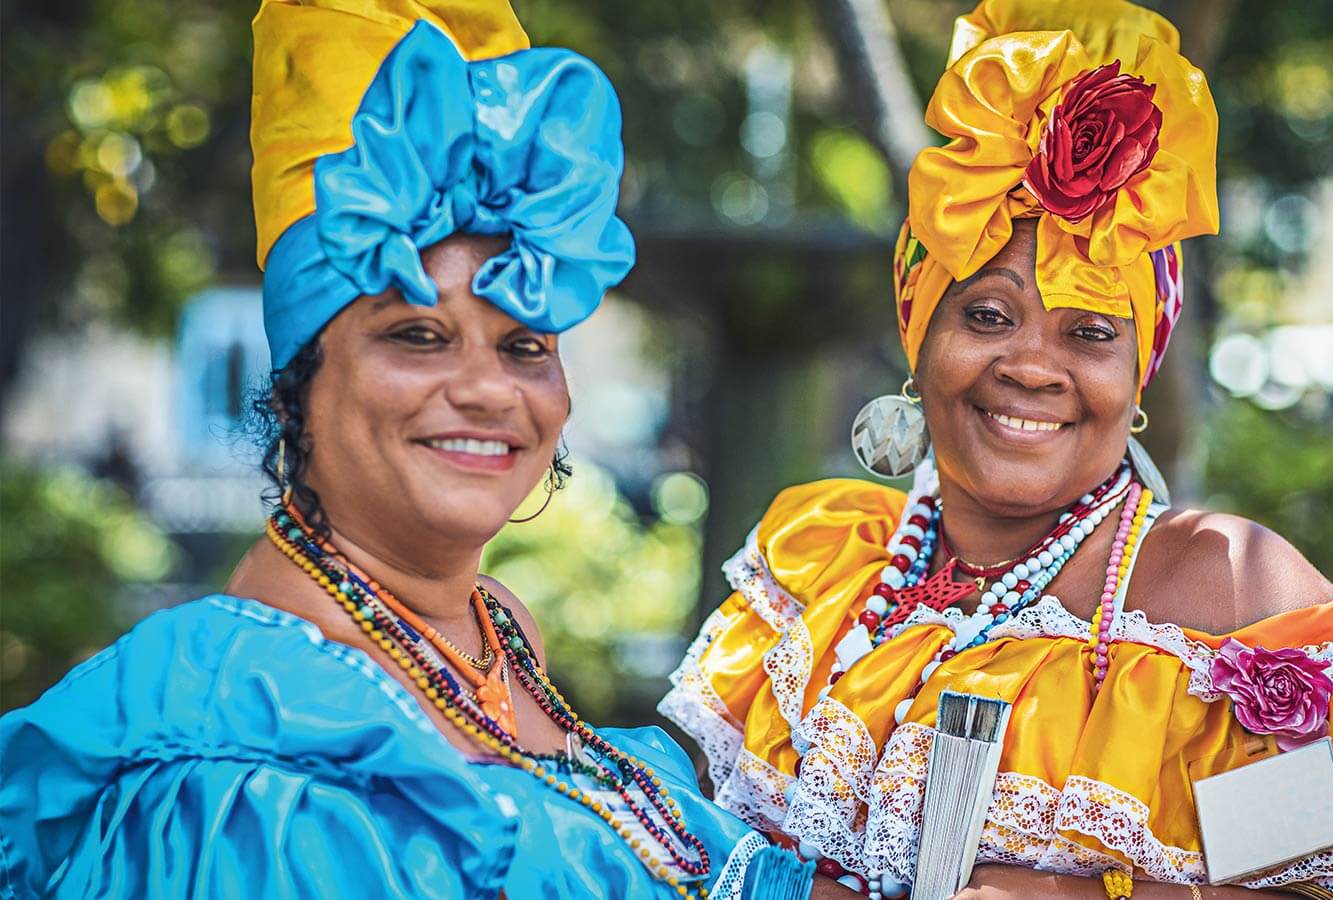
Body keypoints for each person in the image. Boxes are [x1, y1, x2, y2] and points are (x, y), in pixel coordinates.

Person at [659, 0, 1333, 897]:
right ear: (917, 330)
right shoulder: (819, 570)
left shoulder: (1216, 592)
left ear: (1137, 376)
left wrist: (1081, 893)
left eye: (1089, 333)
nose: (1035, 367)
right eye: (989, 315)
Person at [0, 2, 834, 897]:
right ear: (300, 379)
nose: (487, 389)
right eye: (418, 336)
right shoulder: (243, 764)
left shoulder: (496, 629)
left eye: (525, 347)